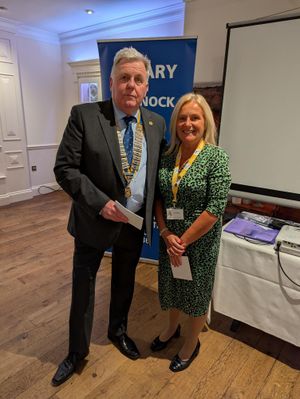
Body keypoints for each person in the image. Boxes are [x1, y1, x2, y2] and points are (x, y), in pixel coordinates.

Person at [51, 47, 166, 386]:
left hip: (132, 225)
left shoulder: (156, 124)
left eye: (139, 80)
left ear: (147, 88)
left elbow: (157, 173)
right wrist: (101, 203)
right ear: (112, 82)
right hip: (93, 219)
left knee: (124, 283)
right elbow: (65, 168)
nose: (132, 85)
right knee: (83, 288)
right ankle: (76, 352)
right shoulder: (85, 115)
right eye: (125, 78)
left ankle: (118, 331)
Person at [151, 93, 231, 372]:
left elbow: (215, 208)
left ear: (205, 121)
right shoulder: (167, 155)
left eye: (194, 117)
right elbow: (158, 198)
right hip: (170, 239)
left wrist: (182, 242)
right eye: (182, 118)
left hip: (199, 244)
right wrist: (164, 233)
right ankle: (172, 328)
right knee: (173, 287)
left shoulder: (216, 157)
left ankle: (191, 343)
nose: (188, 123)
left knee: (196, 294)